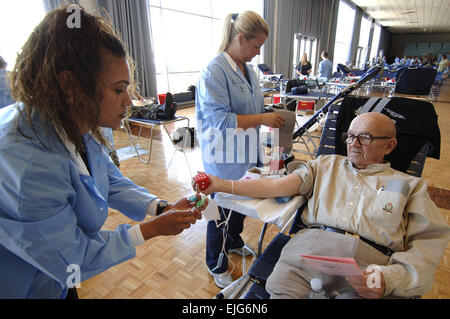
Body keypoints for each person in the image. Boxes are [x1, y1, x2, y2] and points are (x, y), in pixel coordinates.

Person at [0, 5, 207, 299]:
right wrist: (150, 230)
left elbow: (108, 178)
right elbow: (74, 259)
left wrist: (160, 207)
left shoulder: (76, 120)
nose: (128, 101)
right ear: (71, 83)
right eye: (118, 89)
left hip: (58, 278)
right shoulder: (28, 164)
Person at [197, 112, 450, 299]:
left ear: (390, 145)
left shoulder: (410, 185)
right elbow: (274, 186)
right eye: (350, 137)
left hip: (369, 269)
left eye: (364, 138)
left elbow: (428, 247)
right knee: (281, 291)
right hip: (306, 257)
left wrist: (390, 278)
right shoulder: (324, 165)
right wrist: (220, 185)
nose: (353, 144)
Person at [195, 11, 285, 289]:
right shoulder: (214, 70)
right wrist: (262, 119)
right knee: (218, 213)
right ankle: (215, 262)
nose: (258, 53)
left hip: (246, 154)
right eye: (256, 45)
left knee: (241, 206)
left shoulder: (249, 70)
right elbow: (222, 121)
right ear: (240, 38)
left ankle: (233, 241)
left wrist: (271, 115)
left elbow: (253, 109)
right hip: (222, 157)